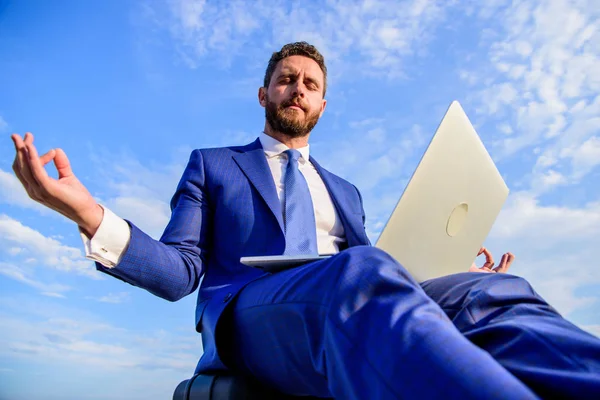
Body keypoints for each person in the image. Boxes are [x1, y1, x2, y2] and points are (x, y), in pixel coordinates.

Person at [10, 42, 600, 400]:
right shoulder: (214, 167)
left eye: (311, 84)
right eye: (286, 79)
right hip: (251, 317)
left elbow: (389, 276)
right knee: (358, 273)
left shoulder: (345, 190)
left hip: (352, 293)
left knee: (491, 291)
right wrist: (88, 214)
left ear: (323, 104)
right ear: (263, 92)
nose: (298, 88)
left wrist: (447, 268)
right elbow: (177, 273)